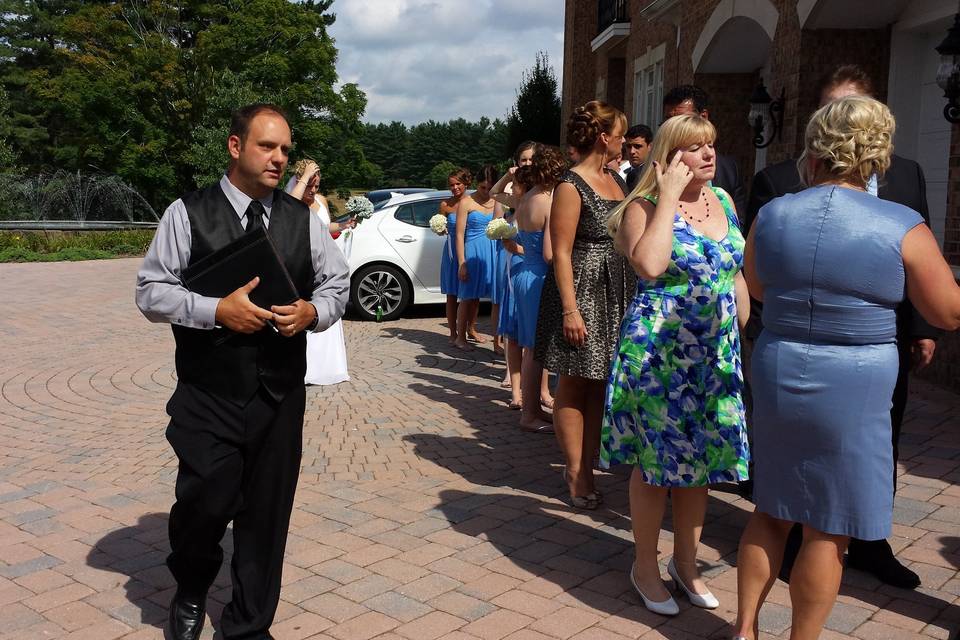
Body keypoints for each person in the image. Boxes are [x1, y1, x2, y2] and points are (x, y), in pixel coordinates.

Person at [733, 95, 960, 640]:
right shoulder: (902, 224)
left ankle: (744, 630)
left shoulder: (772, 214)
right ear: (877, 151)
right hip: (855, 381)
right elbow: (947, 312)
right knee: (828, 528)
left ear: (816, 147)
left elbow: (758, 287)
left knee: (771, 507)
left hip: (780, 363)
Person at [135, 103, 349, 640]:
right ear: (235, 147)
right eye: (267, 146)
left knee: (266, 517)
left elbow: (337, 284)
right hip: (208, 392)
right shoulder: (188, 213)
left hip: (278, 396)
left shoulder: (302, 220)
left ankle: (249, 626)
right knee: (205, 504)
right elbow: (151, 291)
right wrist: (214, 311)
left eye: (284, 149)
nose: (279, 158)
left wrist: (313, 312)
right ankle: (190, 585)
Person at [603, 114, 750, 616]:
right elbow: (649, 265)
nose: (708, 154)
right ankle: (645, 565)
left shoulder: (725, 201)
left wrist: (739, 330)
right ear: (668, 158)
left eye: (711, 144)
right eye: (693, 148)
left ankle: (685, 566)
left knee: (702, 464)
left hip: (714, 355)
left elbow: (734, 269)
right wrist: (667, 197)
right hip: (659, 357)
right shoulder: (641, 207)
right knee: (655, 469)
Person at [535, 101, 636, 508]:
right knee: (575, 382)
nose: (625, 141)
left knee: (600, 383)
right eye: (621, 133)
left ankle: (589, 462)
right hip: (582, 289)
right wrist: (570, 309)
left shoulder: (618, 181)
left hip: (616, 288)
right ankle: (576, 470)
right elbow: (560, 252)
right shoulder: (570, 185)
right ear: (603, 137)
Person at [513, 147, 566, 432]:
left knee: (532, 347)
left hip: (524, 272)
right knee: (536, 349)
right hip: (539, 278)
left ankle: (531, 408)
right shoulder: (548, 200)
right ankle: (529, 414)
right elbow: (549, 253)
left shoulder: (528, 196)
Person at [286, 160, 352, 385]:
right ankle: (305, 368)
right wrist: (303, 180)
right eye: (309, 185)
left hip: (323, 266)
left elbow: (326, 226)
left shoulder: (321, 201)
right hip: (302, 266)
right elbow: (288, 212)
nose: (313, 191)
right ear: (298, 181)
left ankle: (325, 367)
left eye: (316, 186)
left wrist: (344, 226)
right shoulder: (291, 201)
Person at [663, 85, 746, 215]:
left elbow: (738, 227)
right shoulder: (648, 197)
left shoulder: (728, 177)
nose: (675, 127)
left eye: (710, 145)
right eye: (669, 120)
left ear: (703, 117)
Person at [455, 165, 500, 350]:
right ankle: (460, 337)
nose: (486, 191)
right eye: (482, 187)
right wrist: (462, 262)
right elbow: (459, 234)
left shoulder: (499, 201)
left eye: (490, 187)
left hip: (494, 252)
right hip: (472, 253)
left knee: (496, 299)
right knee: (467, 296)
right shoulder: (466, 202)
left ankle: (498, 341)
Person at [439, 168, 472, 344]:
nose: (455, 187)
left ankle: (470, 329)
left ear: (466, 183)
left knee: (471, 294)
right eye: (452, 184)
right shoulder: (445, 205)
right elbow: (439, 226)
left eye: (458, 183)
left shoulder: (472, 202)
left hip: (469, 248)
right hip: (452, 252)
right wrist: (439, 229)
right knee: (452, 293)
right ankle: (453, 333)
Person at [622, 124, 652, 192]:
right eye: (628, 146)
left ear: (650, 146)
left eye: (637, 146)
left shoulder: (655, 175)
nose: (632, 151)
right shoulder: (619, 173)